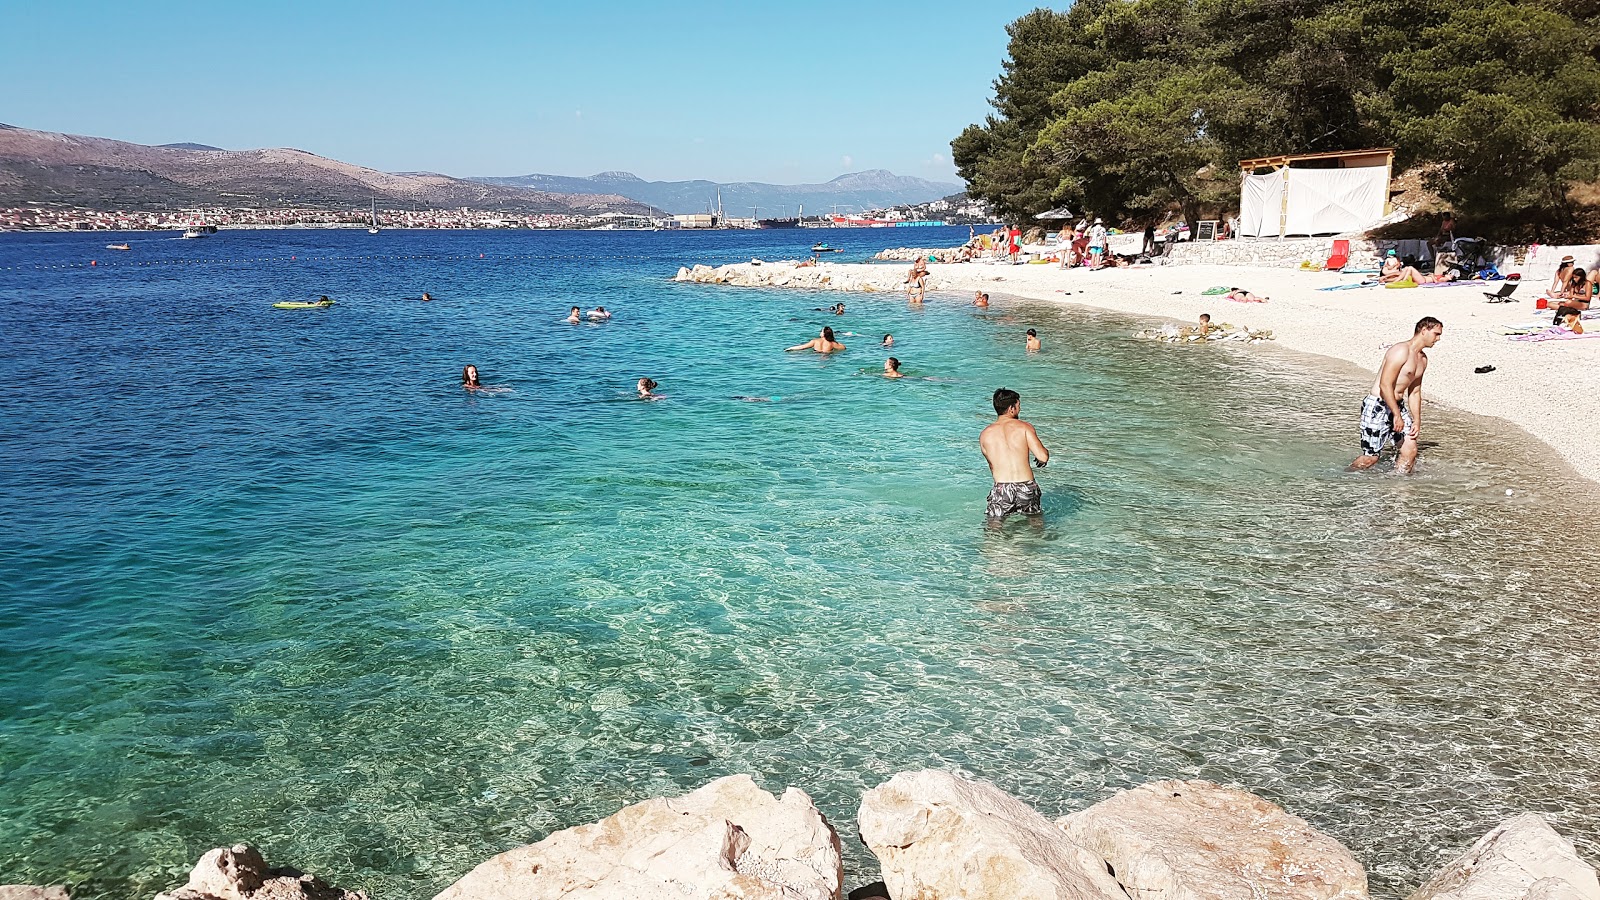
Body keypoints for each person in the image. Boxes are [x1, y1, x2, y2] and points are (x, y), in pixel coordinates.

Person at [1351, 316, 1443, 475]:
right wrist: (1396, 415)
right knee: (1371, 459)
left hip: (1397, 405)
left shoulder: (1422, 359)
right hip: (1378, 405)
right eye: (1436, 334)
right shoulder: (1400, 351)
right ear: (1423, 330)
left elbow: (1414, 392)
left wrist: (1417, 420)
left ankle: (1397, 489)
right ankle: (1344, 477)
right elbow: (1385, 385)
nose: (1438, 339)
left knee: (1410, 450)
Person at [979, 388, 1050, 523]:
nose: (1019, 409)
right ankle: (1038, 544)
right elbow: (1043, 457)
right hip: (1026, 486)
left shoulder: (985, 434)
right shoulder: (1024, 427)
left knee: (994, 528)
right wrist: (1045, 453)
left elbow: (992, 465)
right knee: (1035, 524)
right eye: (1018, 406)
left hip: (1001, 488)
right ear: (1011, 408)